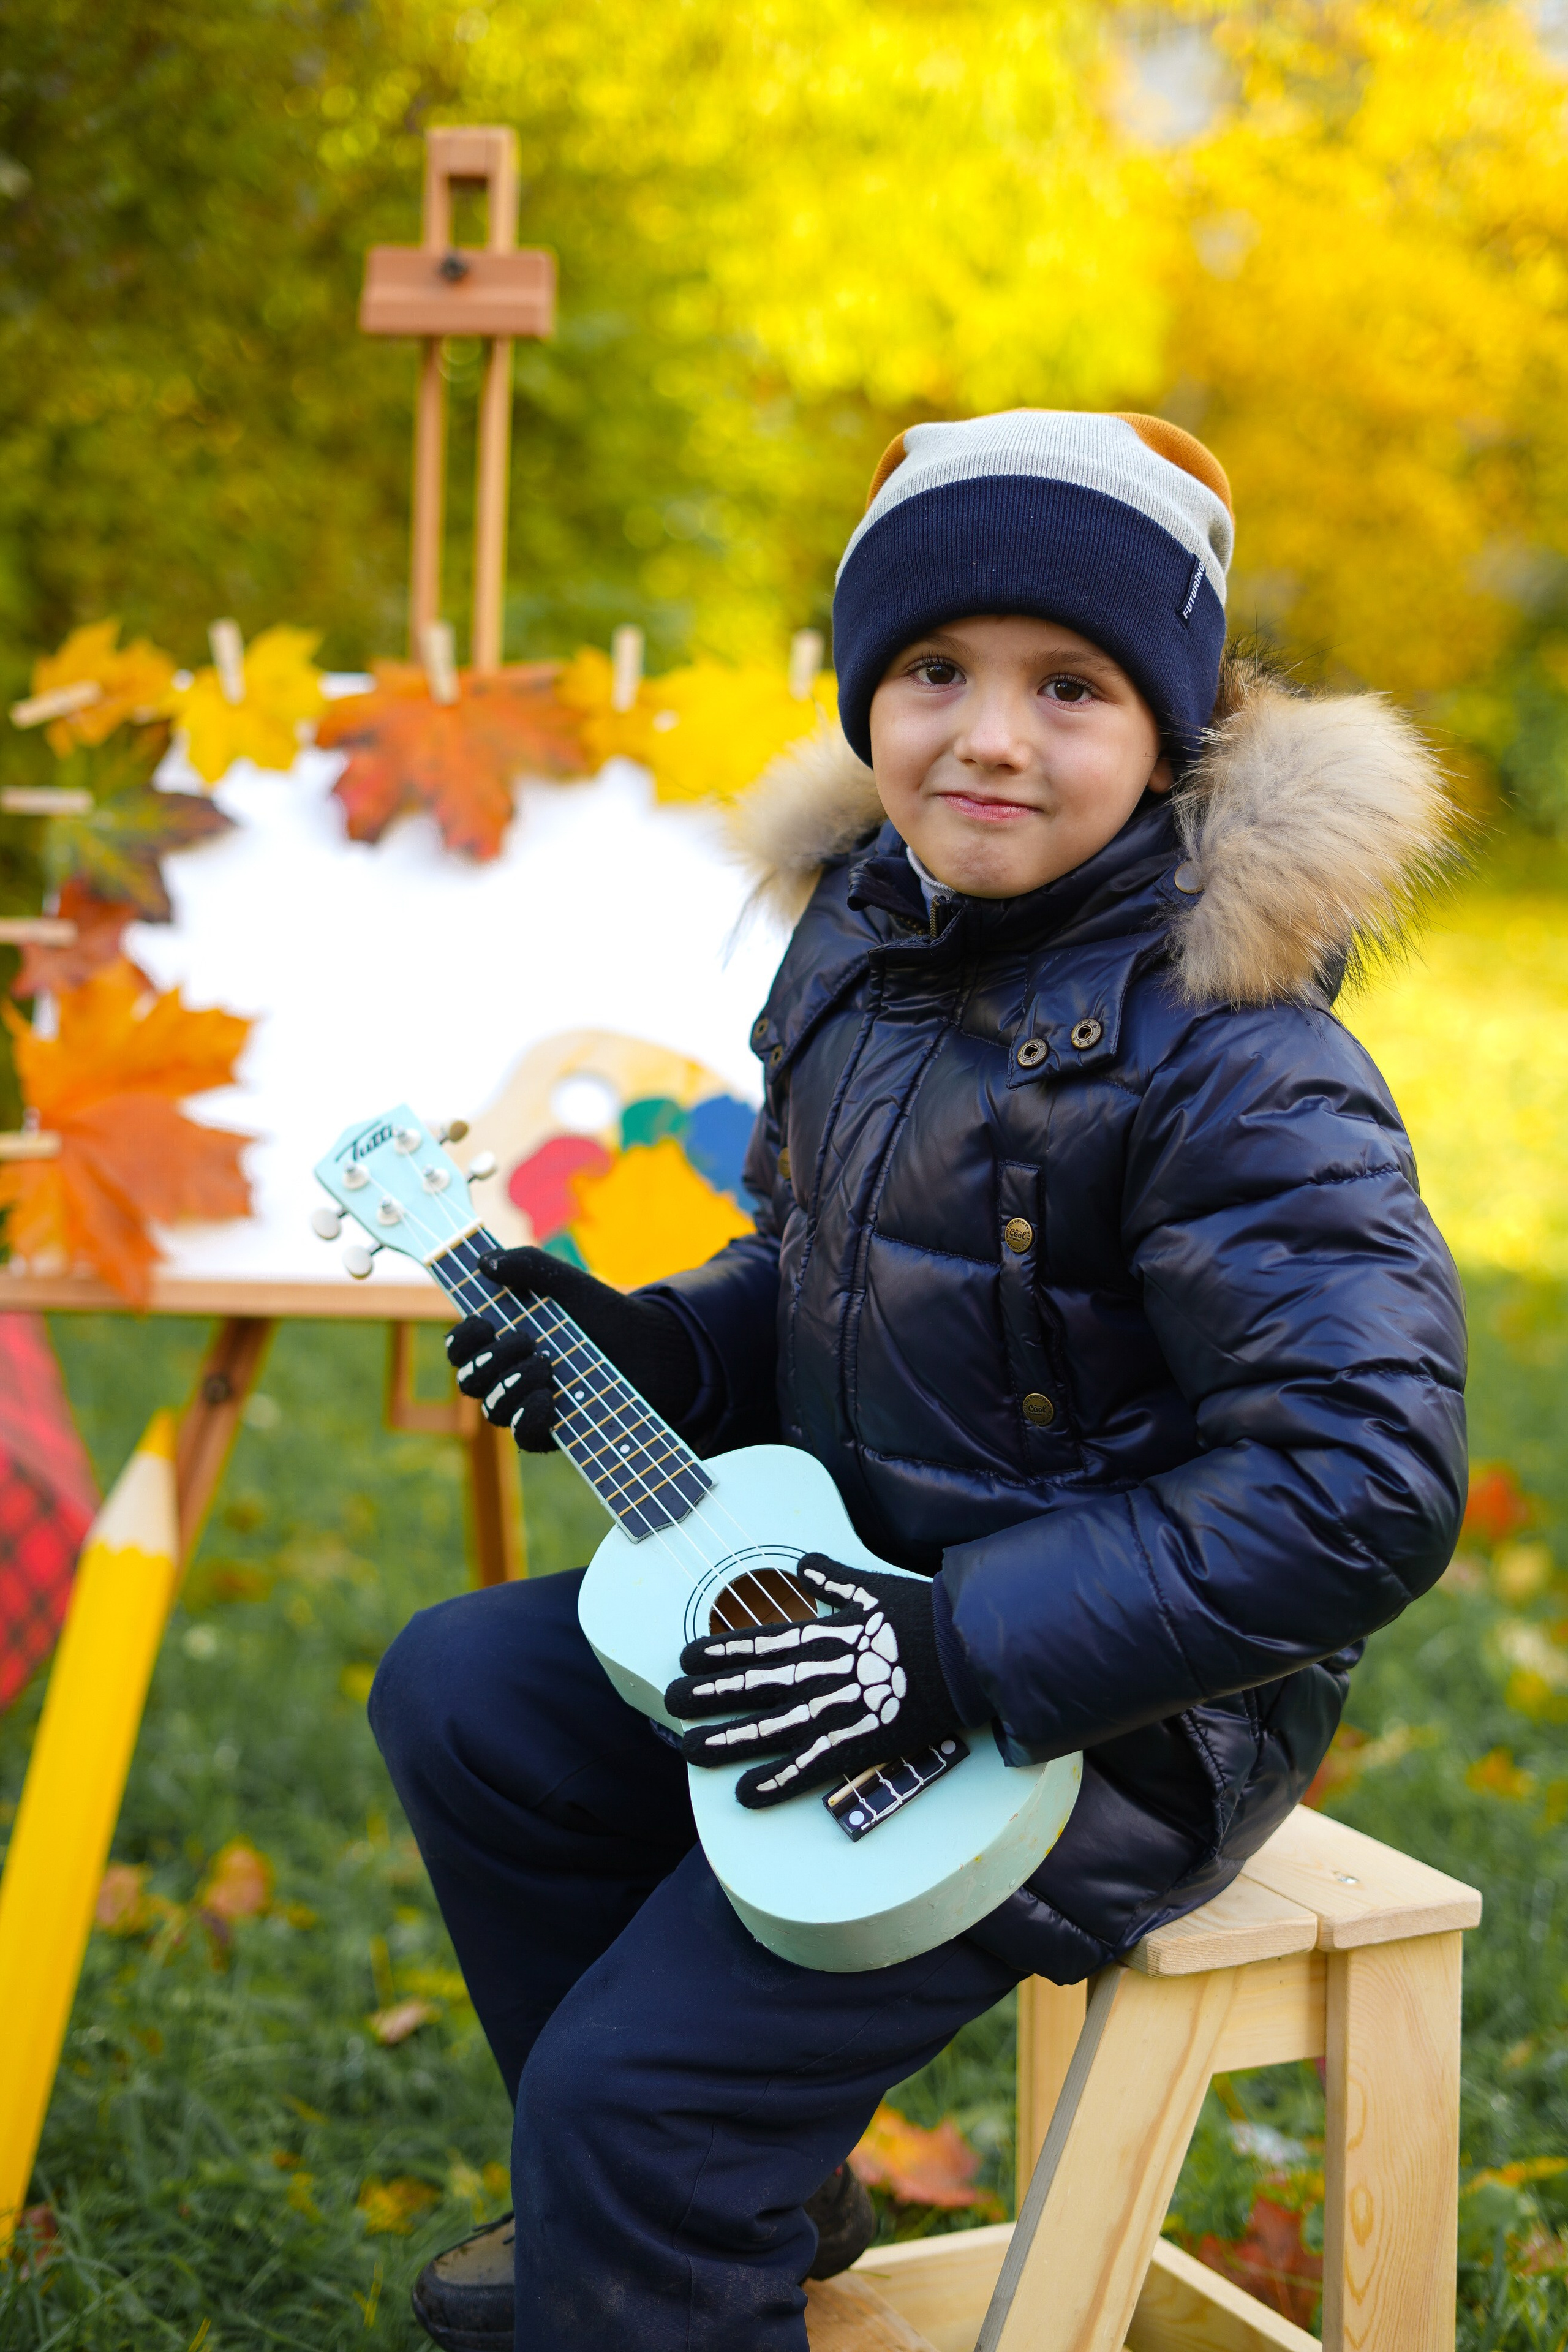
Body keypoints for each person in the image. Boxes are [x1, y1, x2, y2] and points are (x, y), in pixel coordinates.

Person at [370, 410, 1468, 2352]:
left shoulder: (1235, 1055)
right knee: (469, 1694)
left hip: (1115, 1710)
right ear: (868, 693)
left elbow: (1359, 1480)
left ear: (1172, 732)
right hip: (856, 1600)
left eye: (1072, 685)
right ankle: (744, 2197)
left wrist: (951, 1654)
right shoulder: (870, 950)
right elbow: (815, 1268)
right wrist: (665, 1344)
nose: (989, 736)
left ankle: (665, 2175)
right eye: (936, 670)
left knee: (633, 2105)